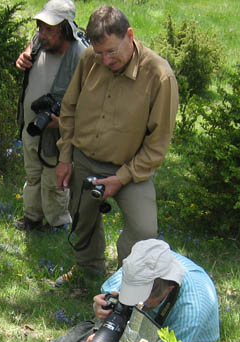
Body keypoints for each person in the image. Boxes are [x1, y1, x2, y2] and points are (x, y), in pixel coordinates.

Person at [54, 5, 178, 286]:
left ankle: (127, 280)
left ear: (130, 35)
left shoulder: (159, 75)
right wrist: (65, 158)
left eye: (112, 52)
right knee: (81, 220)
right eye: (100, 53)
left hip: (132, 168)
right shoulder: (90, 59)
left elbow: (157, 145)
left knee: (145, 230)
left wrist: (121, 178)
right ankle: (88, 269)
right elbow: (69, 108)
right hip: (85, 158)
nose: (106, 60)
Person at [46, 239, 219, 342]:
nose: (138, 304)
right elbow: (110, 292)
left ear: (169, 289)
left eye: (145, 303)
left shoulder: (193, 305)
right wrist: (100, 307)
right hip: (128, 328)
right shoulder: (140, 262)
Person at [13, 0, 87, 233]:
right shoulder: (39, 42)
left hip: (59, 132)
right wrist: (23, 55)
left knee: (54, 180)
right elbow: (33, 44)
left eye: (49, 30)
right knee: (33, 173)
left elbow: (91, 101)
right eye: (41, 27)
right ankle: (32, 217)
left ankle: (58, 222)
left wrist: (64, 123)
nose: (42, 34)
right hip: (31, 127)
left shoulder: (81, 55)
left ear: (65, 29)